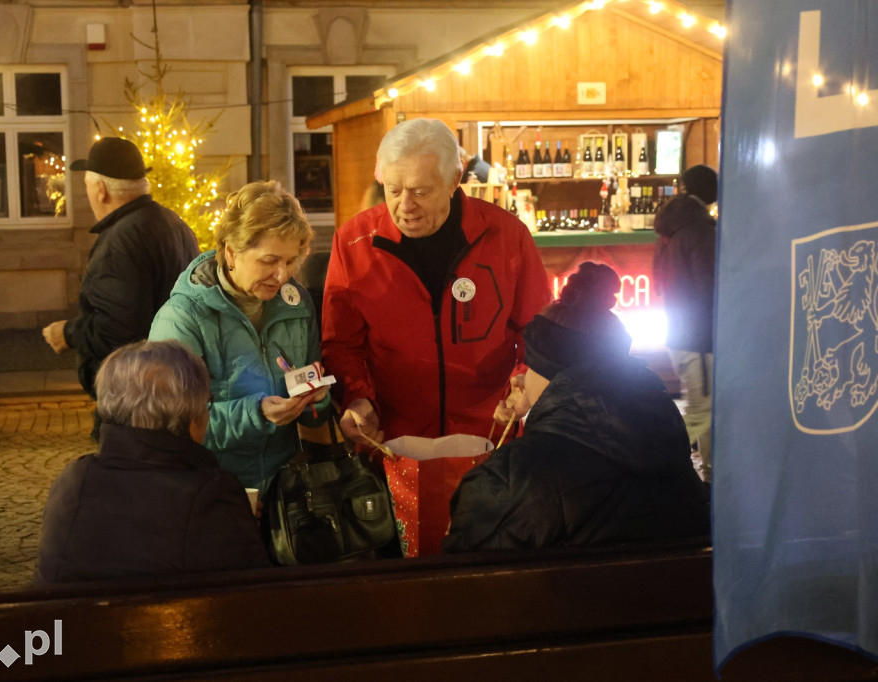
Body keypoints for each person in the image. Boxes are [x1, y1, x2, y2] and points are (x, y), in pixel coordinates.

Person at [323, 118, 552, 555]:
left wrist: (523, 385)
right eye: (392, 190)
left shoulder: (506, 237)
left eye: (420, 191)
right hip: (394, 448)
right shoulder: (353, 243)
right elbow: (341, 344)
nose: (404, 205)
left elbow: (537, 333)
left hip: (490, 441)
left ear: (454, 181)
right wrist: (356, 397)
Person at [444, 262, 710, 553]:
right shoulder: (665, 441)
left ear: (544, 370)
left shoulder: (506, 483)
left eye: (529, 364)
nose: (522, 376)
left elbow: (462, 582)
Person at [35, 340, 270, 584]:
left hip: (60, 622)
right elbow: (250, 596)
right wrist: (237, 524)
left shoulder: (73, 478)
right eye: (206, 404)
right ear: (191, 417)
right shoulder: (209, 496)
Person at [149, 180, 330, 493]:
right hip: (208, 490)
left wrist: (317, 399)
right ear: (231, 253)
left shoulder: (296, 304)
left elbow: (315, 417)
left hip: (283, 492)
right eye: (269, 260)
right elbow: (170, 426)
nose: (283, 275)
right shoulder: (181, 318)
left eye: (290, 261)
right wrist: (256, 414)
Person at [41, 137, 200, 417]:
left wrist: (67, 333)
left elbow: (117, 330)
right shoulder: (175, 223)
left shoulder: (120, 241)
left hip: (133, 395)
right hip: (175, 383)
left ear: (101, 190)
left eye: (88, 187)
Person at [653, 164, 717, 483]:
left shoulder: (671, 227)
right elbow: (711, 288)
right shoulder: (701, 230)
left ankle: (705, 478)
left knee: (701, 408)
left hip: (678, 333)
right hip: (700, 334)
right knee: (702, 412)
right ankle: (657, 471)